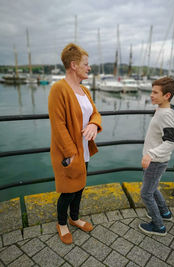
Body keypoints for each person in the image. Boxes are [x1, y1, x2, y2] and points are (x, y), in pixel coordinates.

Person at [48, 43, 102, 244]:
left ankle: (75, 217)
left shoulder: (84, 90)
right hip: (69, 152)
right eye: (86, 64)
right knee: (68, 190)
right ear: (73, 65)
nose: (89, 68)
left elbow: (95, 113)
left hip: (84, 149)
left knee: (80, 186)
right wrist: (72, 153)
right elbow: (58, 125)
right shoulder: (58, 89)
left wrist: (94, 125)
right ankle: (62, 223)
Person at [139, 77, 174, 236]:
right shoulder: (162, 110)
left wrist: (150, 154)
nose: (151, 95)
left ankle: (158, 225)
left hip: (155, 161)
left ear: (167, 96)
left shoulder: (165, 115)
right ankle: (164, 213)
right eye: (152, 91)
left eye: (155, 92)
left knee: (146, 193)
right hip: (156, 161)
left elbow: (171, 142)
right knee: (152, 188)